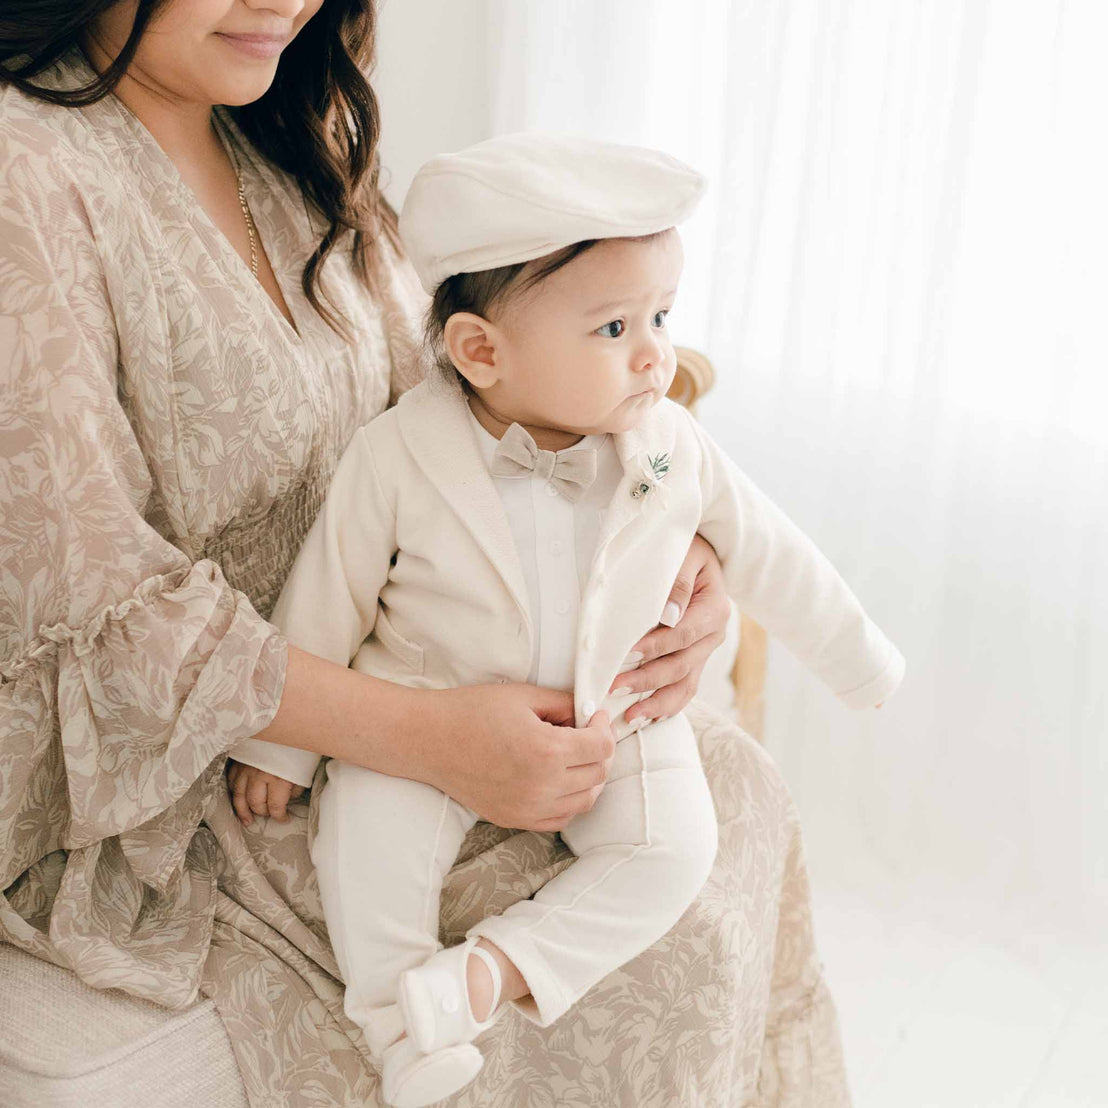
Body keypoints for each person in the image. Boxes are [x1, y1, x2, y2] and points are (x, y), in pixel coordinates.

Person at [0, 2, 858, 1105]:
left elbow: (471, 403)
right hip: (189, 768)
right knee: (653, 923)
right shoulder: (30, 174)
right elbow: (97, 605)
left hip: (412, 656)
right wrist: (430, 739)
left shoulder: (286, 131)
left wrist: (668, 546)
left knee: (723, 795)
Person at [226, 133, 904, 1107]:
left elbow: (771, 550)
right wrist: (280, 749)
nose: (656, 354)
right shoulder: (397, 454)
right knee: (364, 846)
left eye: (661, 316)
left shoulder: (668, 447)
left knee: (673, 851)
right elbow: (328, 590)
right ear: (481, 351)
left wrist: (857, 659)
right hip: (425, 702)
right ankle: (396, 1021)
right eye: (614, 328)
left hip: (615, 712)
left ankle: (488, 972)